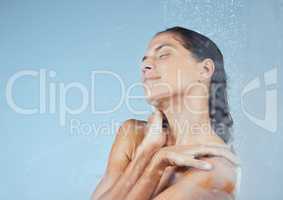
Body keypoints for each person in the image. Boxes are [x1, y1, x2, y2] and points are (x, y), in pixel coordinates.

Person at [91, 26, 241, 200]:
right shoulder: (135, 135)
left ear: (205, 69)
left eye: (163, 55)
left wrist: (156, 163)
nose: (145, 66)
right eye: (144, 60)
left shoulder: (215, 168)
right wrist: (147, 154)